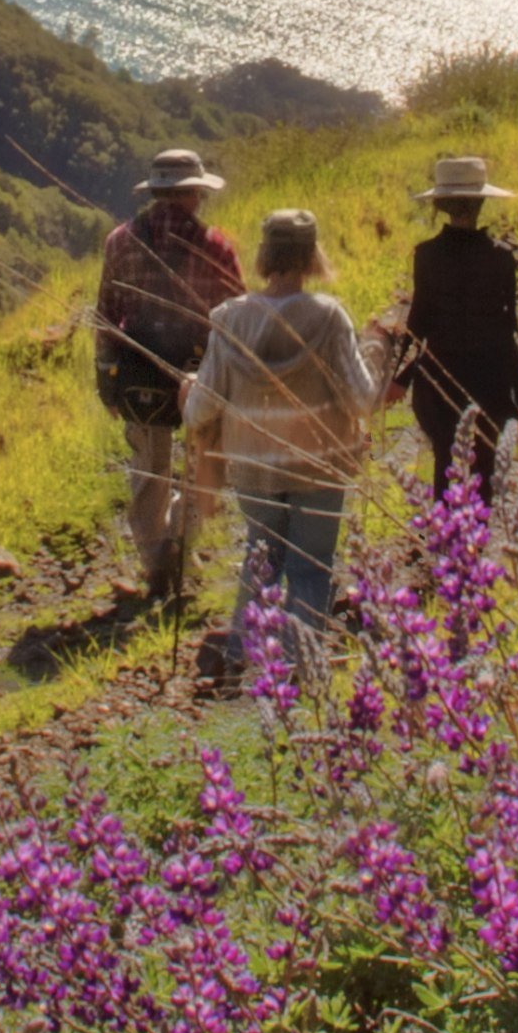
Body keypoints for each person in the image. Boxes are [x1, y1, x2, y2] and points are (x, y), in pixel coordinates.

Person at [183, 207, 384, 680]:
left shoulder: (229, 320)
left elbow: (200, 411)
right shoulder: (329, 318)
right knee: (312, 568)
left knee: (262, 557)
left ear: (265, 254)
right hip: (319, 464)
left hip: (253, 466)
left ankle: (238, 655)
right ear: (313, 256)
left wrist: (189, 389)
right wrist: (376, 356)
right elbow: (362, 400)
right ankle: (302, 670)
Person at [95, 149, 242, 599]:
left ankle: (155, 560)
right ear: (196, 194)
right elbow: (236, 315)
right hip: (200, 372)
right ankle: (181, 547)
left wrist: (105, 376)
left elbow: (106, 315)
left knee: (149, 470)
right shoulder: (216, 246)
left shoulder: (120, 242)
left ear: (155, 192)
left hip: (138, 371)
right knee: (203, 468)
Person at [400, 155, 518, 497]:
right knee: (483, 467)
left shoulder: (427, 255)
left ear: (441, 205)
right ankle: (473, 544)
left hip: (439, 380)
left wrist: (398, 379)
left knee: (446, 461)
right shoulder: (501, 257)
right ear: (481, 204)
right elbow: (506, 331)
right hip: (490, 378)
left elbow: (419, 323)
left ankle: (444, 540)